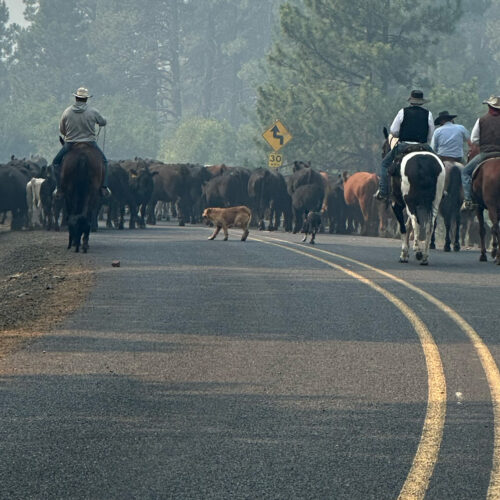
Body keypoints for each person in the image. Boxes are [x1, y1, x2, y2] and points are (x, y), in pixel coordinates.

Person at [374, 90, 435, 200]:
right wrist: (425, 140)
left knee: (384, 164)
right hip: (423, 145)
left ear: (411, 101)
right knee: (439, 164)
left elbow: (393, 130)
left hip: (404, 145)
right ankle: (441, 190)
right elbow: (431, 133)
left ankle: (383, 192)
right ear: (422, 102)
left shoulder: (402, 112)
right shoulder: (428, 114)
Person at [52, 87, 110, 197]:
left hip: (70, 144)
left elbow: (62, 130)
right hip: (90, 143)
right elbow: (102, 122)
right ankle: (104, 187)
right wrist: (104, 120)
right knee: (105, 162)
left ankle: (59, 188)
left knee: (55, 163)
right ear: (86, 99)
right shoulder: (93, 111)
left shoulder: (67, 112)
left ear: (76, 98)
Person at [461, 95, 500, 210]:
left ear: (489, 106)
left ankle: (468, 200)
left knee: (465, 172)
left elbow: (474, 139)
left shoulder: (481, 120)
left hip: (486, 154)